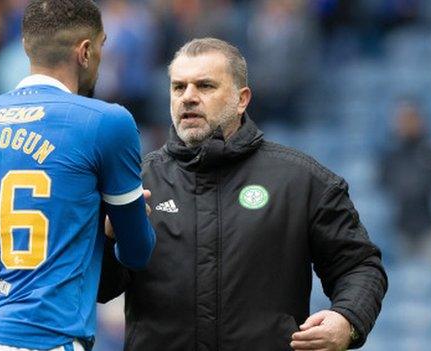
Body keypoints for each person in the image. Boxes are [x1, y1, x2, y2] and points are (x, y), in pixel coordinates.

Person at [98, 38, 388, 351]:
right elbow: (98, 289)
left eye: (205, 86)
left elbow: (359, 266)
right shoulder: (135, 184)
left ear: (241, 99)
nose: (189, 98)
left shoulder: (300, 180)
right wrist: (111, 240)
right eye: (179, 87)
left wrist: (347, 320)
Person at [0, 1, 156, 351]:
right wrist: (115, 230)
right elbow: (137, 252)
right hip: (48, 337)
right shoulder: (108, 122)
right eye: (102, 47)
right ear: (86, 52)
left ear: (28, 47)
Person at [380, 99, 431, 260]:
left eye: (412, 118)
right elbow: (384, 186)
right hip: (400, 229)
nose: (408, 123)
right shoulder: (389, 156)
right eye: (403, 119)